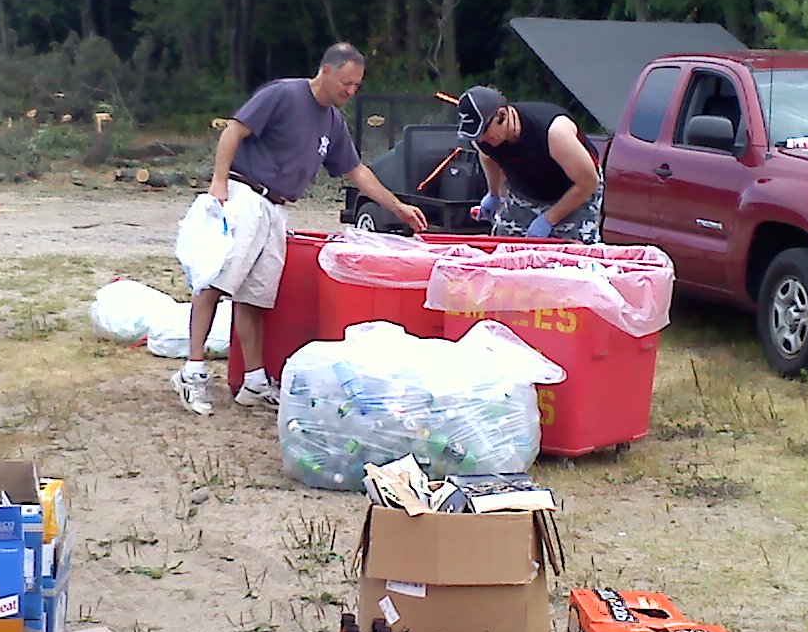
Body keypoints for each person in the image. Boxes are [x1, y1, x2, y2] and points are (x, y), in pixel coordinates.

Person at [173, 43, 428, 415]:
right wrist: (219, 182)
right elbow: (234, 130)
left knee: (256, 295)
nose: (350, 91)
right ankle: (193, 371)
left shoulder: (333, 122)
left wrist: (398, 207)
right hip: (246, 194)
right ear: (325, 71)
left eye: (357, 85)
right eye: (346, 83)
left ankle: (254, 381)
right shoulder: (284, 94)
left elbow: (356, 171)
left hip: (278, 208)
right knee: (215, 280)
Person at [456, 84, 602, 242]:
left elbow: (588, 183)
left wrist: (548, 220)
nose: (481, 139)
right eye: (476, 135)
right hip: (525, 190)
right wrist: (494, 194)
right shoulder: (482, 139)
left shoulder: (554, 132)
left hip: (573, 191)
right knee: (505, 249)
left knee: (571, 257)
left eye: (483, 131)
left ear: (502, 115)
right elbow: (487, 157)